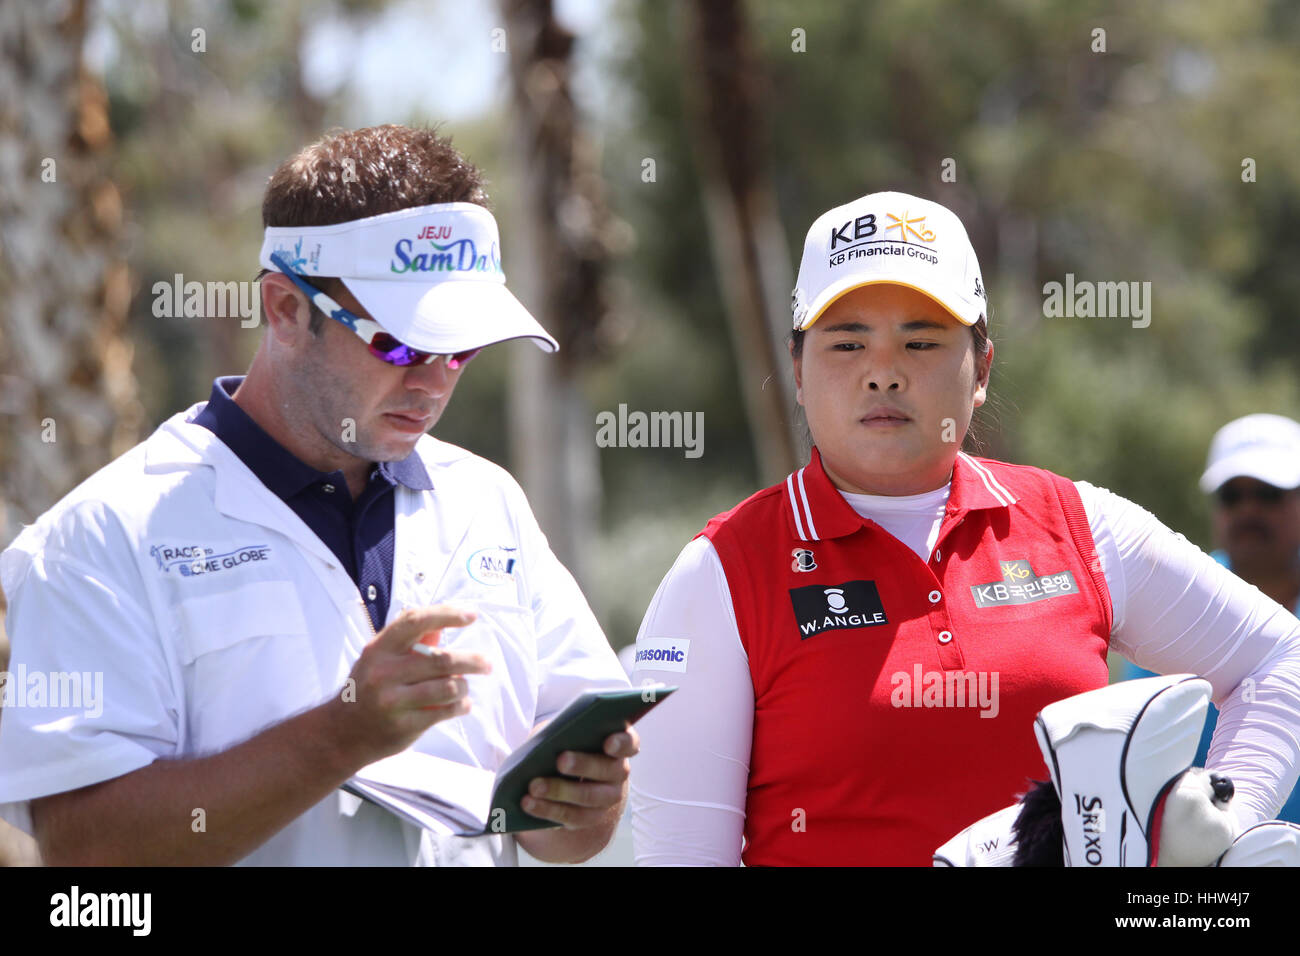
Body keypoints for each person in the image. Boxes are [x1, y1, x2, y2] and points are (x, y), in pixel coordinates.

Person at [0, 125, 635, 866]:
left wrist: (590, 797)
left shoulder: (488, 502)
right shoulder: (98, 537)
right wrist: (343, 733)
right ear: (285, 309)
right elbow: (85, 851)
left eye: (461, 349)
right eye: (400, 344)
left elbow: (571, 836)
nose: (432, 382)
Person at [627, 190, 1300, 866]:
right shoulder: (720, 573)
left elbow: (1281, 659)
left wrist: (1222, 821)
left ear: (980, 368)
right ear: (798, 371)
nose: (883, 373)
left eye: (920, 341)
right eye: (847, 342)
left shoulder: (1083, 526)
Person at [1118, 413, 1300, 821]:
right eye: (1231, 496)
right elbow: (1139, 759)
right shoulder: (1173, 602)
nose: (1249, 509)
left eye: (1269, 494)